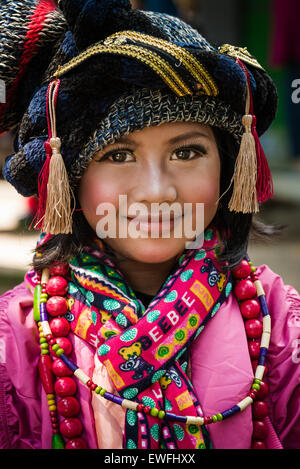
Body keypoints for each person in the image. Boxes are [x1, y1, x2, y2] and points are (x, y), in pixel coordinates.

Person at [0, 0, 299, 450]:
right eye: (118, 155)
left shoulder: (282, 330)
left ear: (229, 165)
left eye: (187, 152)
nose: (157, 191)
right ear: (70, 177)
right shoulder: (16, 345)